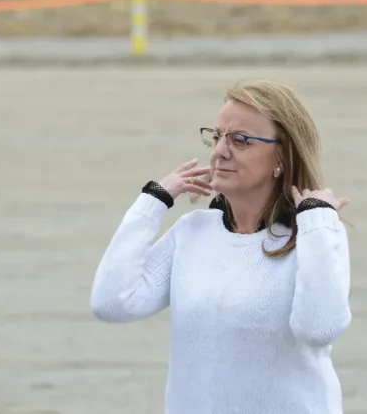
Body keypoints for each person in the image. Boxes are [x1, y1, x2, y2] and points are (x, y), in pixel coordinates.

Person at [90, 79, 352, 414]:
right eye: (217, 136)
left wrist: (318, 221)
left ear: (281, 158)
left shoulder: (313, 238)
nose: (220, 151)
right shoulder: (192, 233)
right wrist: (153, 201)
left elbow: (319, 327)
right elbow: (111, 302)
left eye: (240, 140)